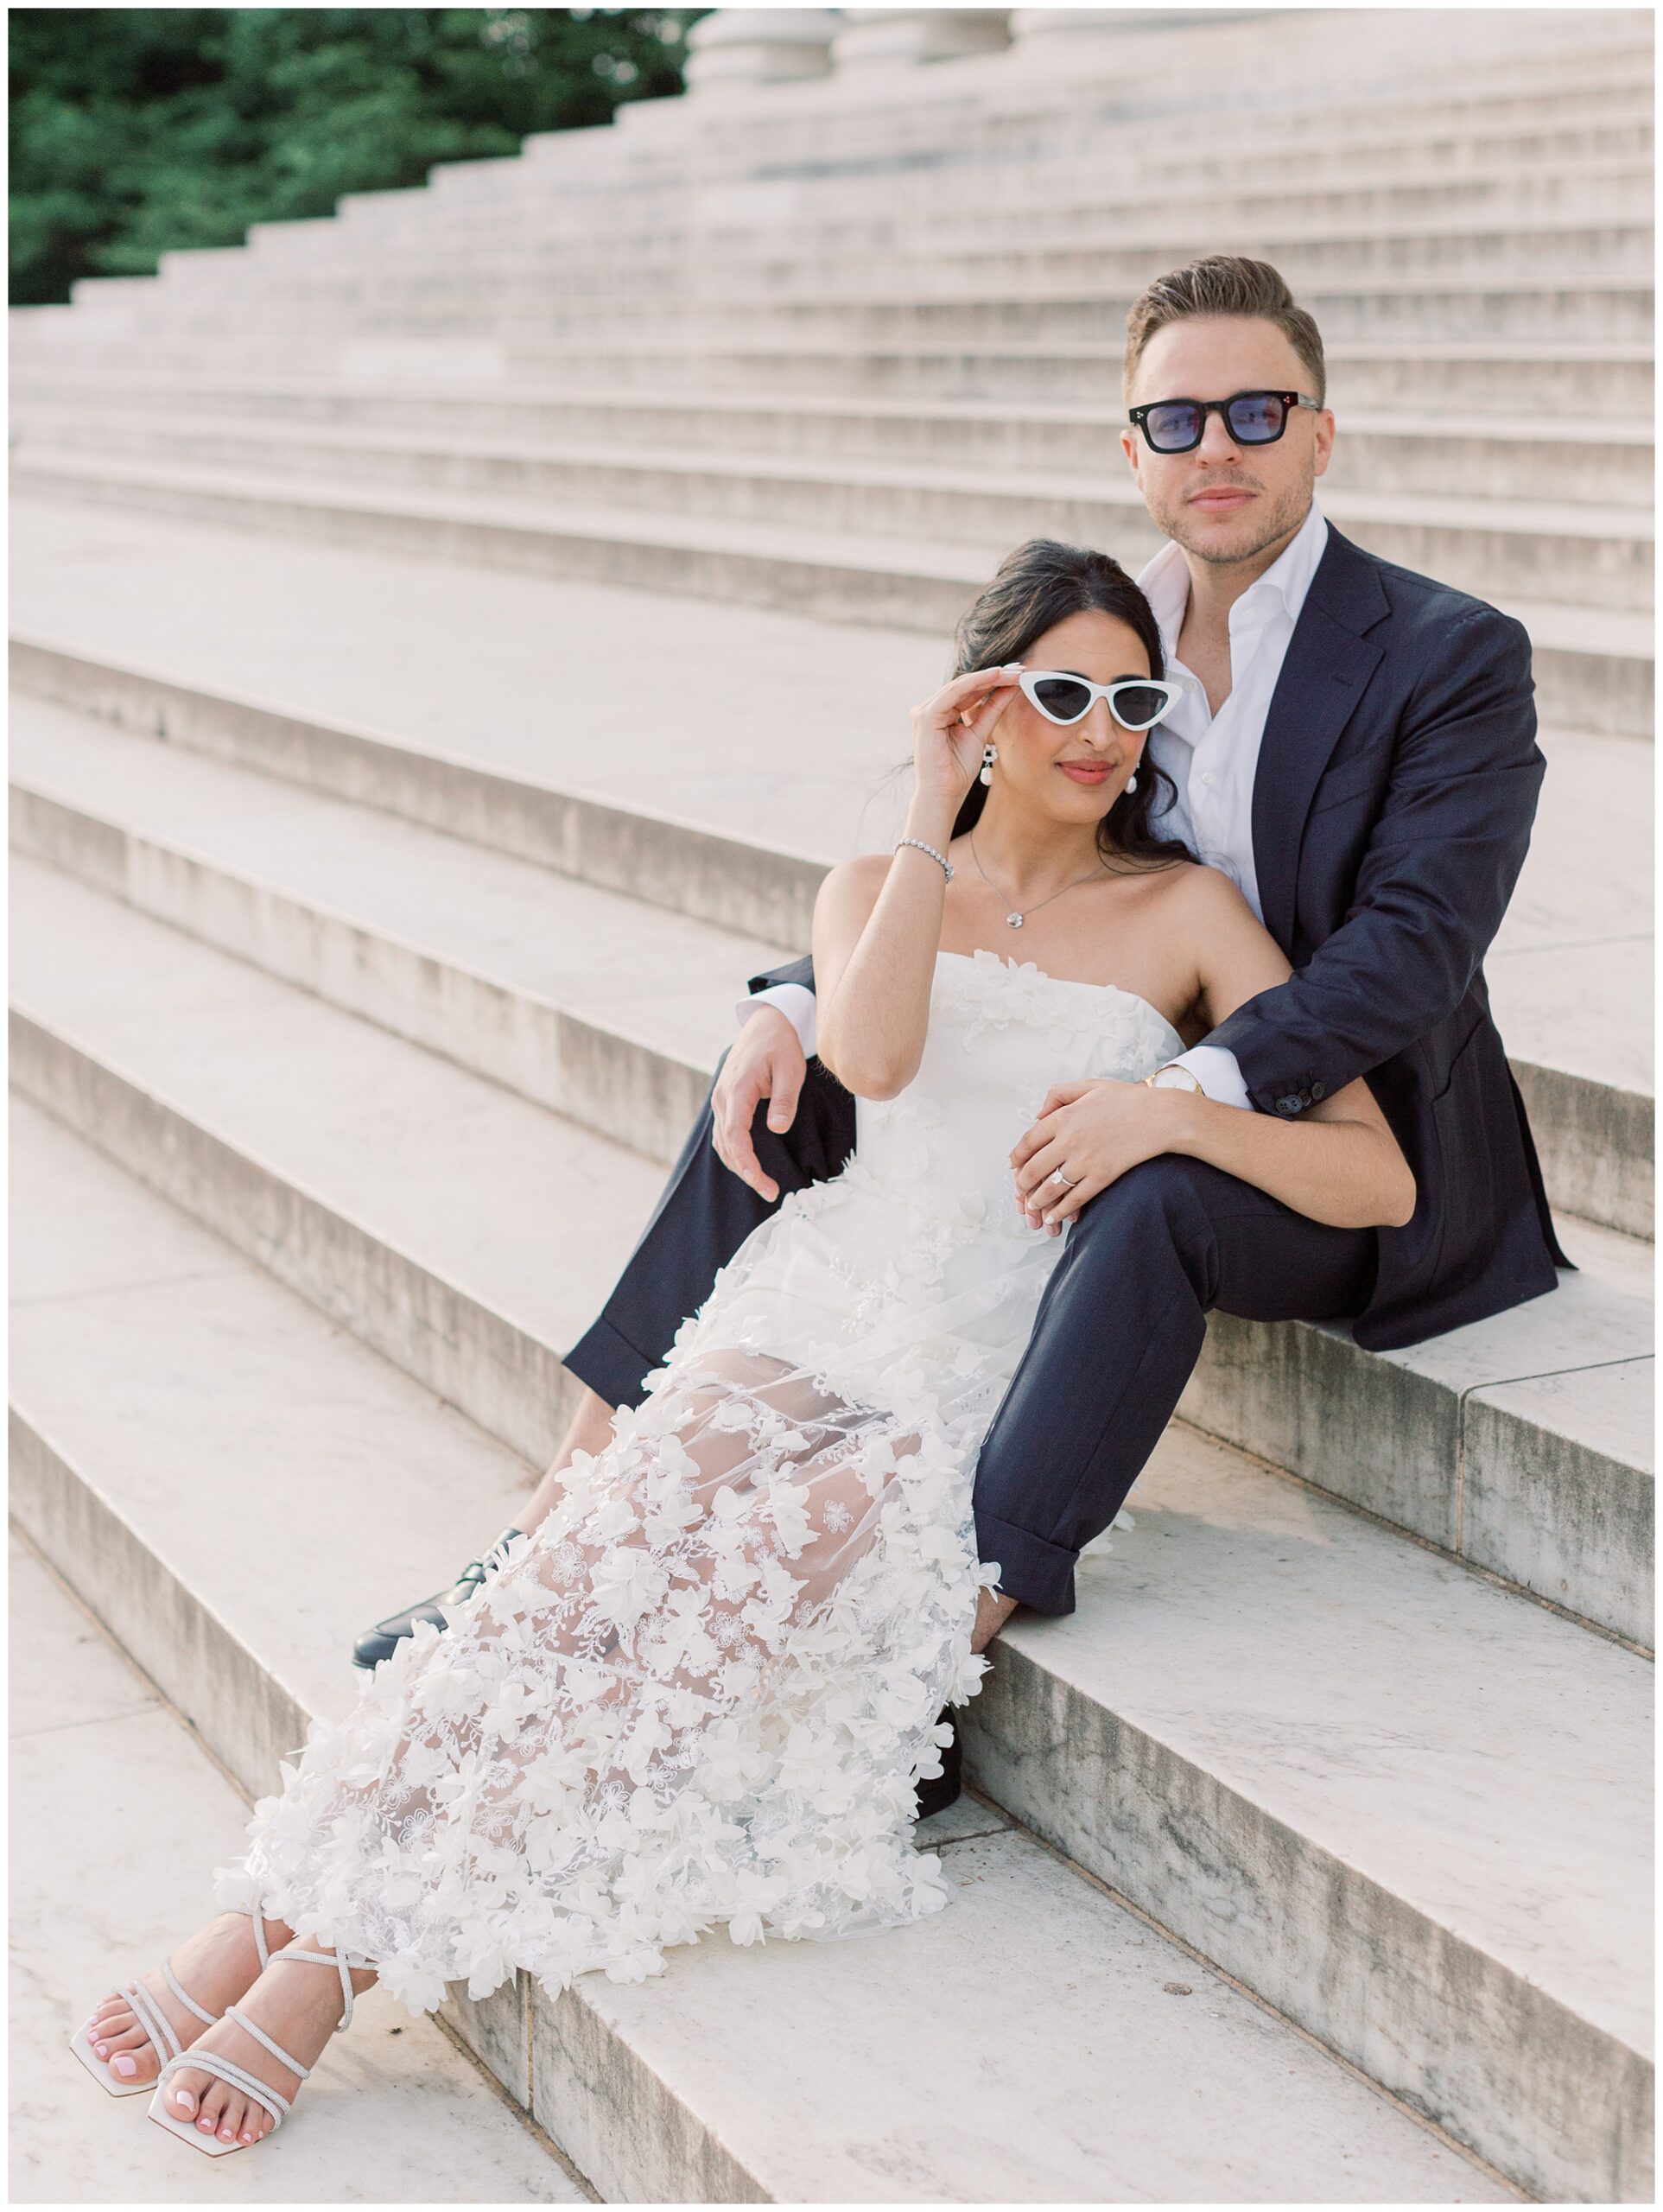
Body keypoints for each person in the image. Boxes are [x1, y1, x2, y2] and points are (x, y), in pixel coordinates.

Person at [75, 533, 1421, 2155]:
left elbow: (1374, 1172)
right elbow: (875, 1054)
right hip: (801, 1323)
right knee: (570, 1596)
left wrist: (1170, 1119)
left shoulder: (1188, 912)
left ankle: (318, 1958)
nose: (1101, 730)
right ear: (978, 708)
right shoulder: (868, 892)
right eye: (1058, 692)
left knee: (696, 1626)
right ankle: (267, 1921)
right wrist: (931, 822)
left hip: (961, 1386)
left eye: (1134, 697)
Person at [357, 251, 1570, 1719]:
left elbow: (1412, 949)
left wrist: (1173, 1098)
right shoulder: (1107, 635)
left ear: (1322, 429)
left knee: (1154, 1188)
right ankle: (566, 1511)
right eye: (1177, 421)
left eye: (1258, 410)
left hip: (1339, 1157)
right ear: (1131, 452)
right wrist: (796, 994)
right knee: (795, 1073)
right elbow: (1027, 858)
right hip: (1106, 1091)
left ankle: (955, 1622)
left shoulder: (1445, 653)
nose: (1220, 448)